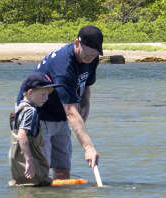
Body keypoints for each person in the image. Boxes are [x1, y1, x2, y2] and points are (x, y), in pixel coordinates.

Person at [19, 25, 103, 180]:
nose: (89, 59)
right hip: (38, 114)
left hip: (60, 115)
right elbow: (71, 112)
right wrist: (89, 148)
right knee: (39, 174)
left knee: (63, 169)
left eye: (94, 55)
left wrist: (85, 102)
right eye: (87, 54)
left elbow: (86, 83)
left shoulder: (93, 59)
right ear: (77, 43)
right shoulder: (63, 65)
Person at [8, 72, 61, 186]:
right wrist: (29, 161)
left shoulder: (19, 108)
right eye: (43, 94)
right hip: (30, 166)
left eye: (48, 95)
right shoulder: (31, 111)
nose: (46, 98)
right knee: (39, 192)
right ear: (30, 92)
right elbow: (22, 135)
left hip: (16, 164)